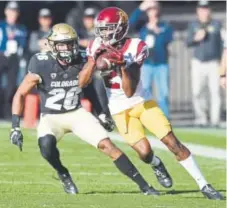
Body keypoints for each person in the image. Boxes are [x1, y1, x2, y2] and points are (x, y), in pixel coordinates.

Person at [79, 7, 224, 200]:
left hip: (141, 102)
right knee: (144, 153)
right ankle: (157, 163)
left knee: (172, 143)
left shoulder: (136, 47)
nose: (104, 33)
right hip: (119, 109)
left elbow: (129, 91)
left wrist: (121, 65)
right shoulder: (95, 44)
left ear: (121, 29)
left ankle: (204, 185)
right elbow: (82, 82)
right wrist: (92, 59)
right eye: (102, 29)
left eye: (108, 29)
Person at [10, 23, 161, 196]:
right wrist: (15, 126)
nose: (66, 48)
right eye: (61, 44)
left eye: (70, 43)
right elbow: (20, 93)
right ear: (52, 45)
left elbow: (90, 89)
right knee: (45, 147)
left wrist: (102, 112)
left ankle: (145, 187)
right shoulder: (41, 62)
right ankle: (63, 173)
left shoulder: (83, 59)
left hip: (76, 113)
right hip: (51, 117)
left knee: (108, 146)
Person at [129, 0, 173, 118]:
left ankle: (164, 117)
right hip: (146, 64)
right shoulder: (142, 26)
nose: (152, 12)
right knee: (144, 91)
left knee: (163, 93)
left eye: (154, 9)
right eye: (149, 9)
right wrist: (141, 8)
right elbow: (130, 24)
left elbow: (168, 42)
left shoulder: (165, 26)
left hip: (161, 64)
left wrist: (157, 31)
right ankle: (145, 116)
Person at [187, 0, 222, 127]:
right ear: (198, 11)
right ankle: (201, 118)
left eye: (206, 8)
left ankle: (215, 120)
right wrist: (196, 38)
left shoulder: (216, 24)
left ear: (210, 10)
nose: (204, 11)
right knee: (197, 91)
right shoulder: (193, 25)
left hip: (213, 63)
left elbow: (222, 43)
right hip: (198, 62)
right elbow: (188, 42)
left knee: (215, 92)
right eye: (202, 9)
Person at [0, 1, 27, 119]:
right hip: (1, 55)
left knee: (11, 87)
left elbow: (23, 45)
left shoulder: (21, 28)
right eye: (11, 11)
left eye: (15, 11)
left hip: (14, 58)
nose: (12, 14)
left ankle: (6, 114)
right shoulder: (1, 25)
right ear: (6, 11)